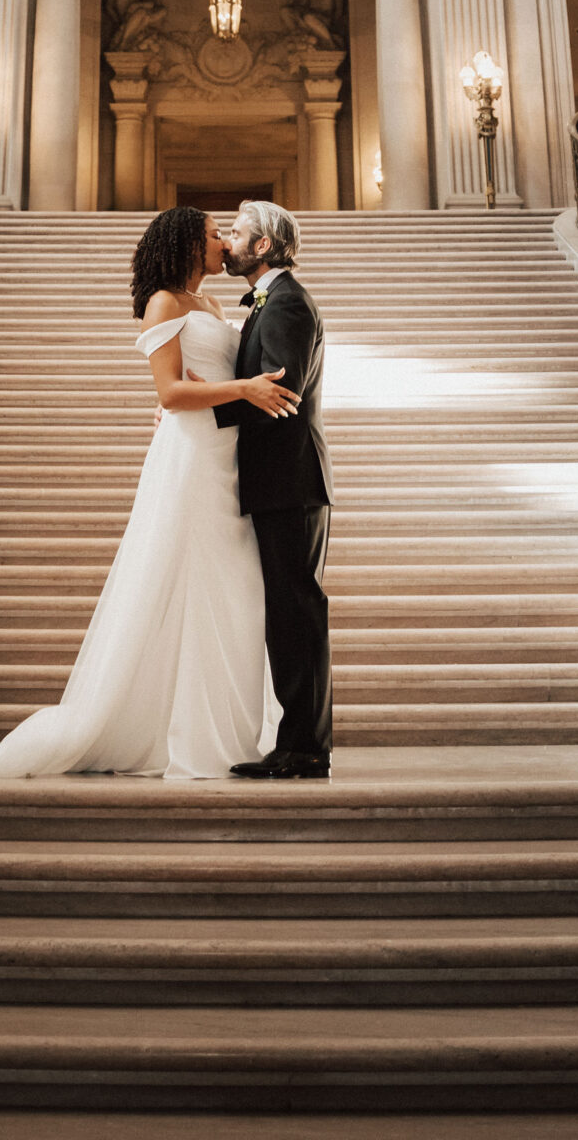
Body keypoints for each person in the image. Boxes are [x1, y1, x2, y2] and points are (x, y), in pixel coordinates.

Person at [0, 205, 297, 781]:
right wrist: (240, 388)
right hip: (190, 459)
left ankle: (224, 725)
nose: (222, 243)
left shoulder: (214, 305)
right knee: (186, 579)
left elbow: (202, 380)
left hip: (228, 459)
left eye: (225, 234)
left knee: (233, 589)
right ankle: (177, 734)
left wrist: (224, 388)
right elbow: (169, 393)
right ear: (190, 246)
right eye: (213, 235)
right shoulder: (162, 303)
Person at [214, 201, 334, 779]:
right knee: (288, 611)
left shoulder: (286, 303)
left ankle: (305, 748)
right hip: (280, 479)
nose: (227, 241)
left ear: (263, 247)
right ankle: (298, 742)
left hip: (289, 478)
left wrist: (207, 411)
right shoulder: (275, 299)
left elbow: (278, 396)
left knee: (296, 610)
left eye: (236, 233)